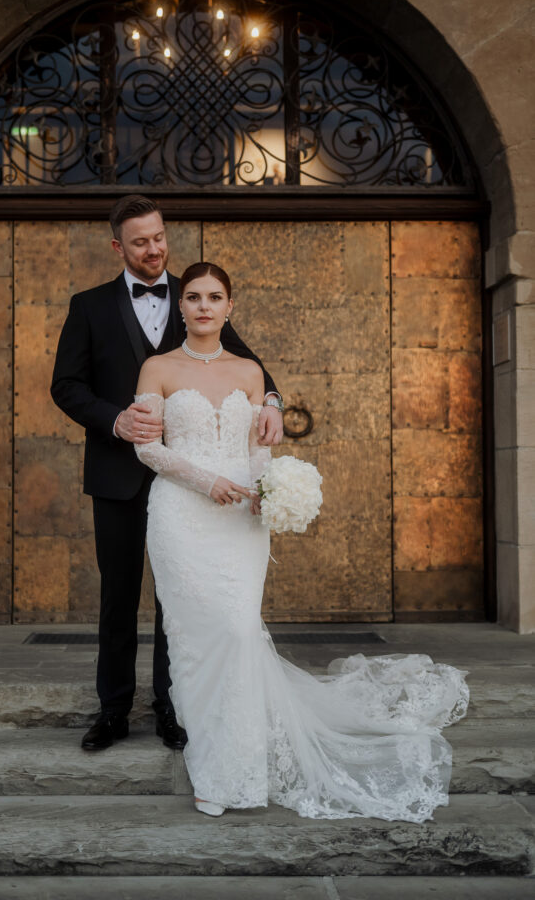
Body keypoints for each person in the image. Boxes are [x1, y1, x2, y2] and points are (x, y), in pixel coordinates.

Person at [134, 260, 470, 819]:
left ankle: (240, 761)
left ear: (230, 307)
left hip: (239, 519)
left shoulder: (250, 373)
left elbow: (259, 446)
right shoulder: (157, 368)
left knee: (240, 631)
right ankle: (215, 764)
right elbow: (148, 448)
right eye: (193, 297)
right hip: (180, 517)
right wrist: (206, 480)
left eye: (215, 297)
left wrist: (265, 489)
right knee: (195, 640)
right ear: (181, 306)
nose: (203, 306)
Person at [50, 196, 284, 752]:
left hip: (193, 484)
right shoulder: (88, 306)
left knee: (180, 599)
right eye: (140, 241)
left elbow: (250, 365)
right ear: (118, 247)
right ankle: (113, 710)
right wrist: (117, 421)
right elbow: (66, 386)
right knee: (119, 594)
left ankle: (172, 705)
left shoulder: (197, 294)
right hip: (118, 475)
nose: (154, 249)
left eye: (158, 237)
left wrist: (271, 399)